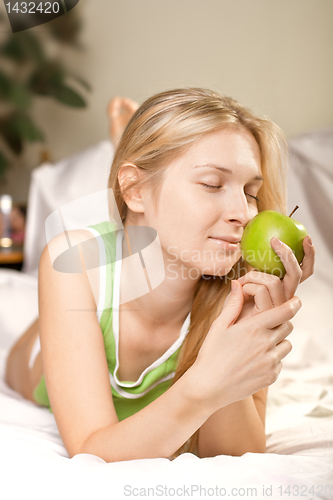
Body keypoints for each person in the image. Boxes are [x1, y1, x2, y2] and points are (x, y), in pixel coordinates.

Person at [5, 88, 315, 461]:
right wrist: (205, 383)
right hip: (37, 358)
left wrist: (244, 327)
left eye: (251, 192)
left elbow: (234, 456)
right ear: (133, 189)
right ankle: (127, 145)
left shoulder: (241, 285)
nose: (245, 214)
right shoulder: (72, 263)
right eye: (213, 184)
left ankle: (132, 146)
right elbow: (91, 450)